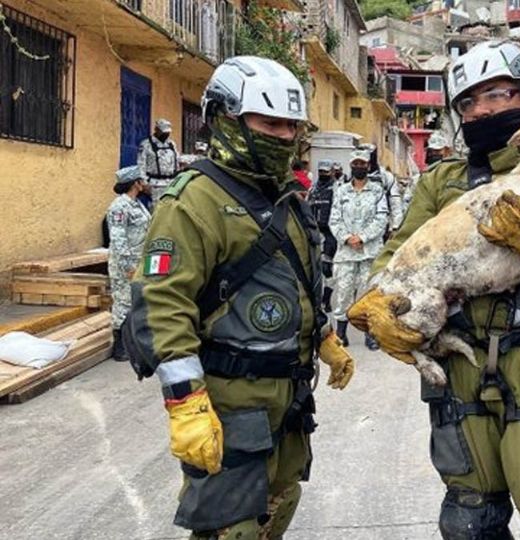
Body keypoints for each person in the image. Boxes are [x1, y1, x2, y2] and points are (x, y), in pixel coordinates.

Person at [350, 40, 520, 539]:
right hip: (460, 368)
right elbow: (401, 251)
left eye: (499, 94)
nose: (484, 109)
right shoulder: (442, 181)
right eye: (469, 102)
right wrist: (382, 302)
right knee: (470, 520)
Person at [122, 56, 354, 539]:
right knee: (232, 528)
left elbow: (301, 282)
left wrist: (324, 336)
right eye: (269, 123)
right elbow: (161, 306)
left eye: (291, 126)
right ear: (226, 119)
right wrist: (185, 402)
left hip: (289, 395)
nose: (284, 137)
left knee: (280, 503)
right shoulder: (193, 201)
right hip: (228, 398)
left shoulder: (287, 198)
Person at [329, 149, 388, 350]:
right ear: (351, 166)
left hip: (370, 252)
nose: (359, 167)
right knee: (343, 292)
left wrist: (363, 237)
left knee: (368, 293)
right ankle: (341, 334)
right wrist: (347, 238)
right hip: (346, 253)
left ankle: (370, 334)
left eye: (362, 164)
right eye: (355, 164)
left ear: (368, 166)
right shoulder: (341, 191)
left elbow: (382, 219)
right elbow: (334, 219)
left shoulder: (378, 191)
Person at [107, 166, 151, 361]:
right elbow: (118, 239)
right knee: (123, 303)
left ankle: (134, 341)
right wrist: (127, 266)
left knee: (138, 301)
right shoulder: (119, 206)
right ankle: (119, 346)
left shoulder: (138, 205)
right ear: (136, 183)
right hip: (125, 264)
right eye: (142, 180)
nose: (145, 183)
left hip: (139, 261)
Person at [308, 159, 337, 313]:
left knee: (327, 269)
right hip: (313, 232)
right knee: (313, 268)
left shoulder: (337, 189)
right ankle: (315, 301)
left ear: (332, 172)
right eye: (321, 172)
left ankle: (326, 300)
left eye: (326, 171)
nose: (323, 174)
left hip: (330, 234)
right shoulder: (313, 190)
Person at [363, 143, 404, 235]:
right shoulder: (352, 177)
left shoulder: (386, 177)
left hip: (380, 226)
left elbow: (395, 203)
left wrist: (396, 227)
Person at [138, 118, 179, 204]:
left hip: (171, 184)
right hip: (155, 185)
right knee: (156, 211)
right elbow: (141, 165)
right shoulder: (146, 144)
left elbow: (176, 162)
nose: (166, 134)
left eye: (168, 132)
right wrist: (144, 183)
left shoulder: (171, 144)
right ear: (157, 130)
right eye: (163, 132)